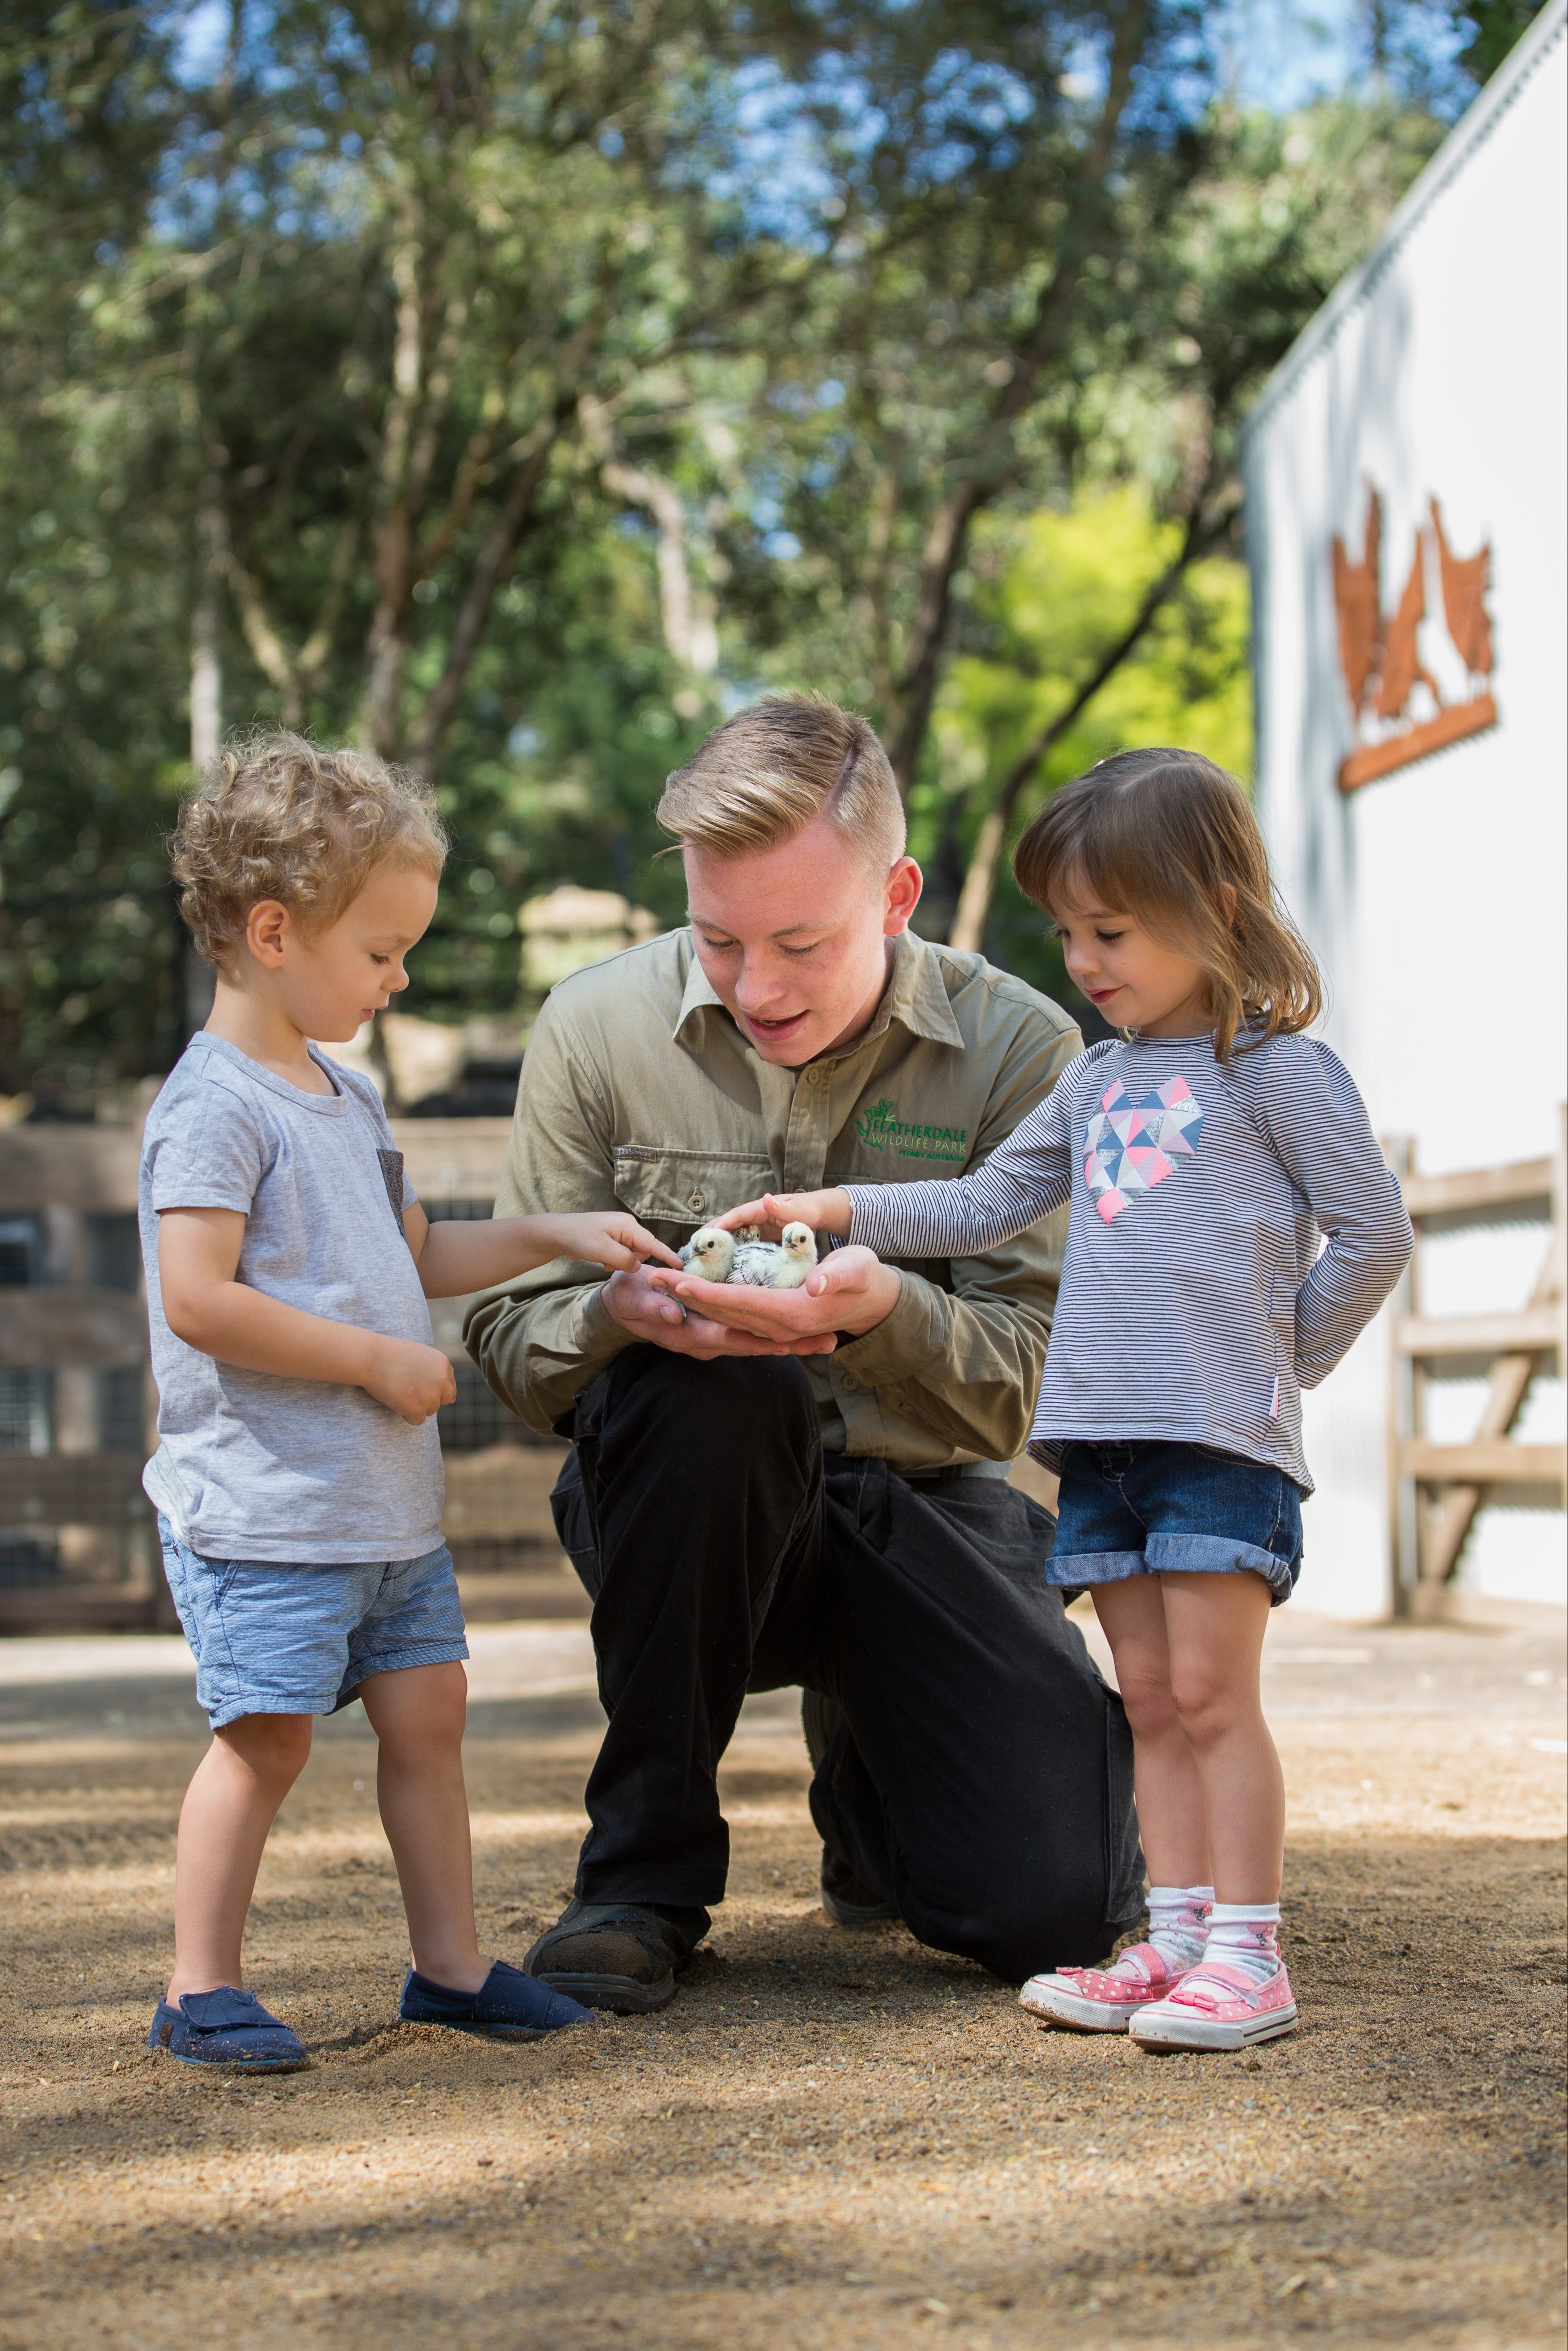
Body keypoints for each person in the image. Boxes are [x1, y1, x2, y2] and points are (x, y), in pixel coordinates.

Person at [714, 747, 1413, 2053]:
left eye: (1112, 930)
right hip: (1102, 1447)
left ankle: (1247, 1952)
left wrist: (1283, 1368)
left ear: (1213, 903)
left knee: (1213, 1694)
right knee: (1149, 1695)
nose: (1083, 961)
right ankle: (1175, 1938)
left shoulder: (1276, 1074)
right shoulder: (1093, 1081)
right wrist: (834, 1209)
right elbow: (982, 1200)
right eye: (1067, 933)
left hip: (1218, 1446)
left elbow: (1372, 1234)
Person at [466, 695, 1143, 2014]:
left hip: (927, 1509)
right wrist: (622, 1316)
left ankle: (870, 1771)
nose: (756, 985)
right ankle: (641, 1873)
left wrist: (874, 1310)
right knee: (718, 1394)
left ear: (896, 896)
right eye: (718, 940)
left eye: (800, 942)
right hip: (685, 1515)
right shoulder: (594, 1028)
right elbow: (511, 1339)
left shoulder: (1021, 1051)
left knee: (1048, 1907)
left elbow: (1050, 1370)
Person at [139, 732, 679, 2071]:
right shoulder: (212, 1109)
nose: (400, 976)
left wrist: (564, 1230)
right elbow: (196, 1296)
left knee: (428, 1720)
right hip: (267, 1512)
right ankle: (196, 1984)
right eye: (380, 950)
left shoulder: (346, 1091)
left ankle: (448, 1968)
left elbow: (414, 1252)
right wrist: (375, 1362)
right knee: (262, 1741)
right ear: (274, 931)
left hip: (383, 1516)